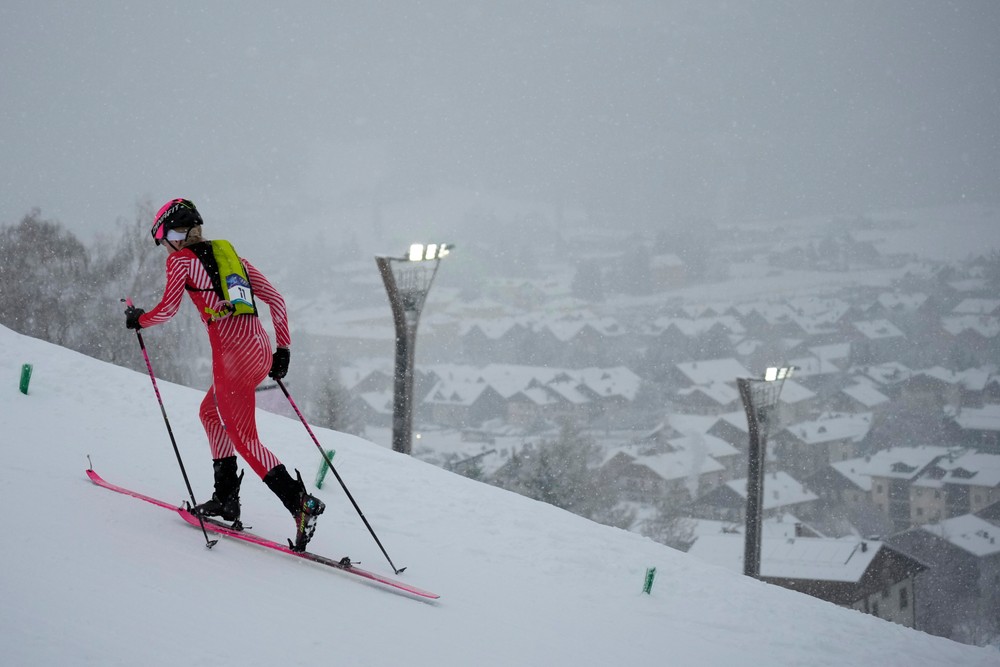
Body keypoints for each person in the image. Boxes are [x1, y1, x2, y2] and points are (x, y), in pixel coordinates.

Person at [124, 198, 324, 551]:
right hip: (260, 351)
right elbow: (276, 300)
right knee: (209, 414)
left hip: (233, 357)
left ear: (174, 235)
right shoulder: (234, 259)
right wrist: (283, 350)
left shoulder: (180, 261)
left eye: (163, 240)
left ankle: (300, 504)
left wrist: (139, 319)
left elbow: (168, 310)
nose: (165, 248)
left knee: (245, 440)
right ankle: (226, 500)